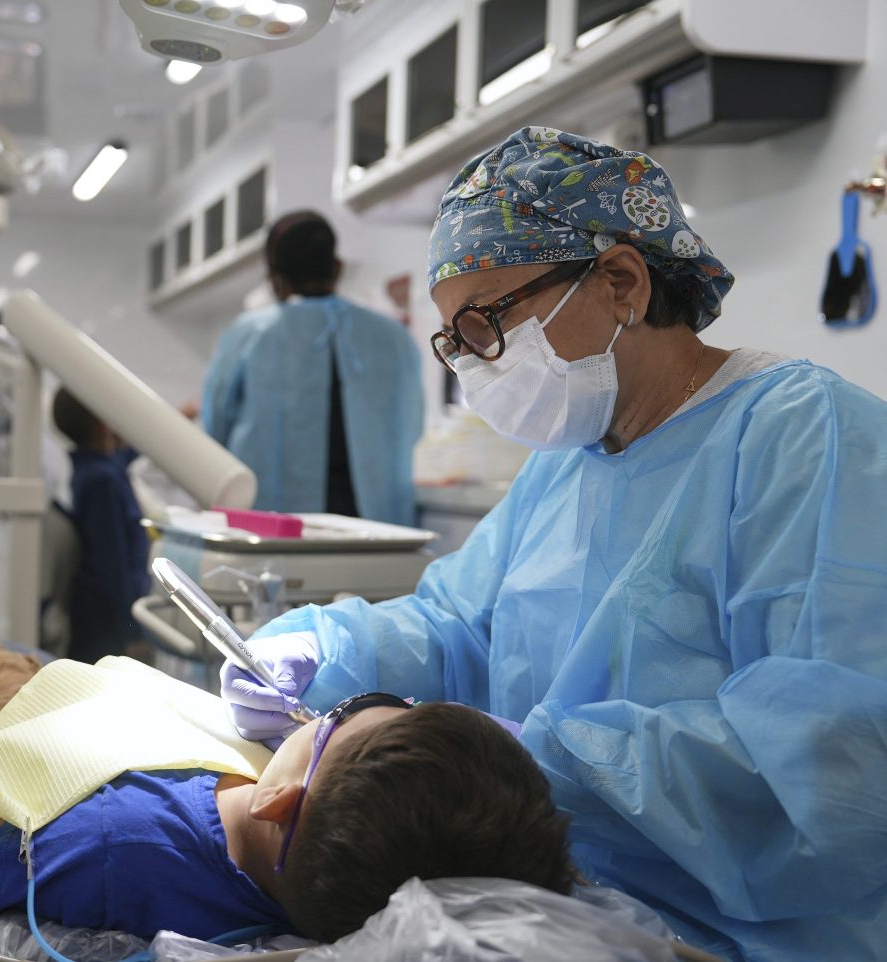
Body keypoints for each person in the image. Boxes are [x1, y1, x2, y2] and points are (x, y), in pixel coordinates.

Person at [218, 127, 887, 962]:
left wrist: (528, 760)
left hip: (745, 936)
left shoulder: (805, 439)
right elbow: (462, 627)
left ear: (621, 282)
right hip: (552, 905)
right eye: (453, 341)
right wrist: (328, 651)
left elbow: (835, 768)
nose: (473, 363)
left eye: (486, 325)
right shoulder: (566, 464)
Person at [0, 499, 574, 943]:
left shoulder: (118, 849)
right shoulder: (315, 855)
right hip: (53, 708)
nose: (315, 712)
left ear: (280, 799)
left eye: (330, 719)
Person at [199, 211, 424, 525]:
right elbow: (413, 426)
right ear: (338, 267)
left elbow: (215, 431)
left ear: (274, 277)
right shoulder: (395, 338)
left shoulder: (249, 334)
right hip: (376, 526)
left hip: (274, 526)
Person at [51, 388, 150, 663]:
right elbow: (114, 566)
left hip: (100, 613)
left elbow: (130, 452)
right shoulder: (102, 481)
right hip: (106, 622)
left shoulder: (94, 467)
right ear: (102, 421)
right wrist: (133, 634)